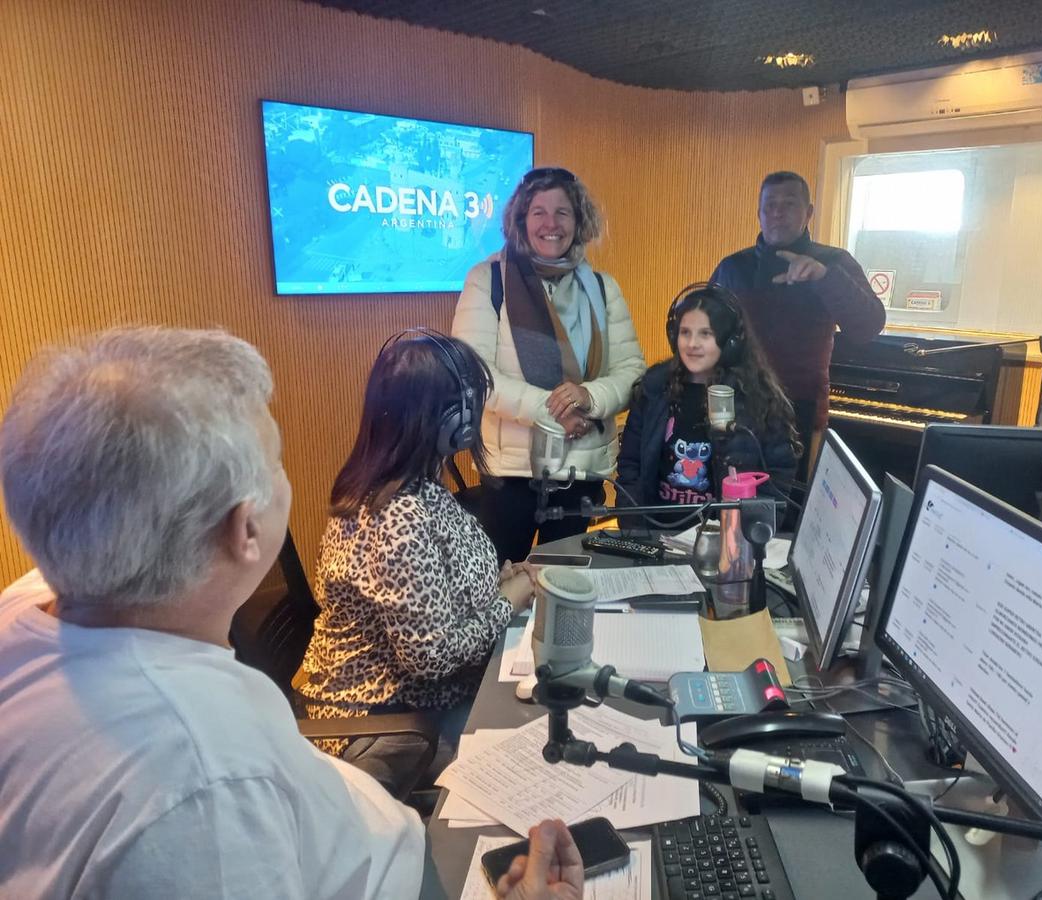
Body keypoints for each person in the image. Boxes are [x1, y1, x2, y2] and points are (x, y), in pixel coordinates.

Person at [0, 327, 424, 898]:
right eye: (276, 460)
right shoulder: (202, 782)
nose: (285, 476)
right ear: (245, 528)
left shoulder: (32, 602)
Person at [299, 330, 536, 782]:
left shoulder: (417, 487)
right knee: (533, 752)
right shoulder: (398, 517)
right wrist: (509, 601)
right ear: (452, 419)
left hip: (424, 700)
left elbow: (431, 591)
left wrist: (495, 585)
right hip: (391, 719)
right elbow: (431, 657)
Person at [453, 166, 646, 563]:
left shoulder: (603, 288)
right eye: (538, 212)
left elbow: (632, 373)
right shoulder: (487, 280)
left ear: (579, 220)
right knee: (501, 584)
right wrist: (555, 412)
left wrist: (588, 397)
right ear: (521, 219)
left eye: (562, 212)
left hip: (582, 471)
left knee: (566, 582)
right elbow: (475, 375)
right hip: (512, 476)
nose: (551, 224)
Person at [711, 171, 885, 476]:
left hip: (801, 408)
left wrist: (824, 278)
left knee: (794, 499)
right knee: (729, 494)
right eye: (770, 205)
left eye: (789, 204)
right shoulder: (733, 267)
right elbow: (703, 331)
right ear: (759, 214)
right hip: (737, 406)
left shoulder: (833, 262)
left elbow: (868, 326)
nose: (778, 213)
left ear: (809, 212)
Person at [617, 283, 799, 519]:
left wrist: (749, 530)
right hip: (656, 531)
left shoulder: (759, 397)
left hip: (724, 533)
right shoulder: (654, 388)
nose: (692, 344)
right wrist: (634, 526)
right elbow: (630, 466)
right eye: (685, 332)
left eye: (706, 334)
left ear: (731, 341)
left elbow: (778, 478)